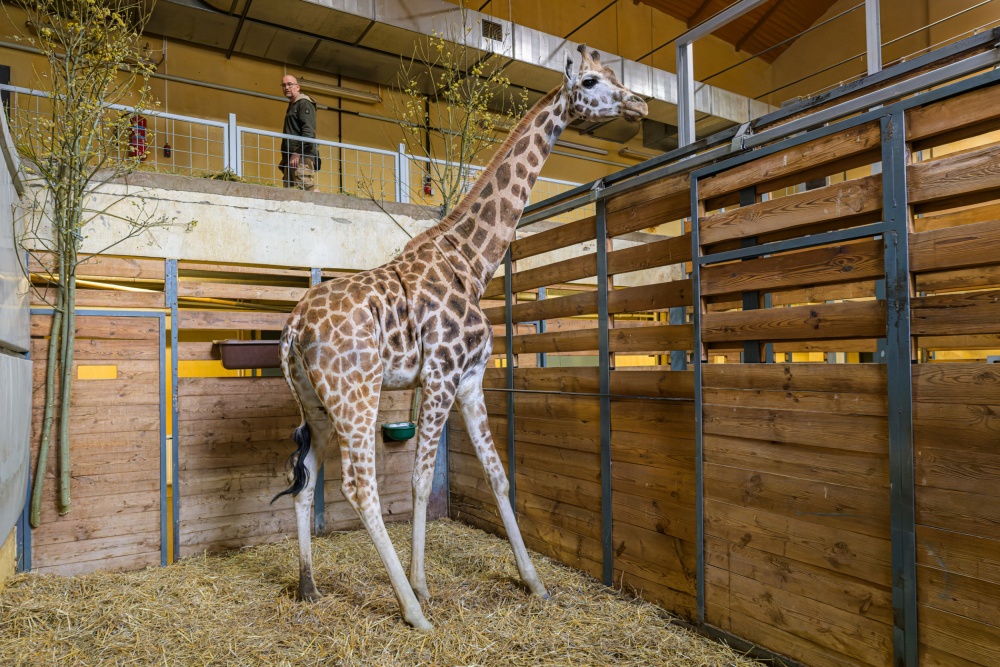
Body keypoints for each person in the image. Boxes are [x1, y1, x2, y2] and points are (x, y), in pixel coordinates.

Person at [279, 75, 320, 190]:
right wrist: (286, 158)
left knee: (305, 189)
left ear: (297, 87)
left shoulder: (304, 103)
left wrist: (298, 152)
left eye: (289, 84)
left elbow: (308, 133)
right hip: (291, 158)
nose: (286, 87)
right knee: (291, 193)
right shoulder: (293, 105)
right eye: (284, 85)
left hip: (301, 157)